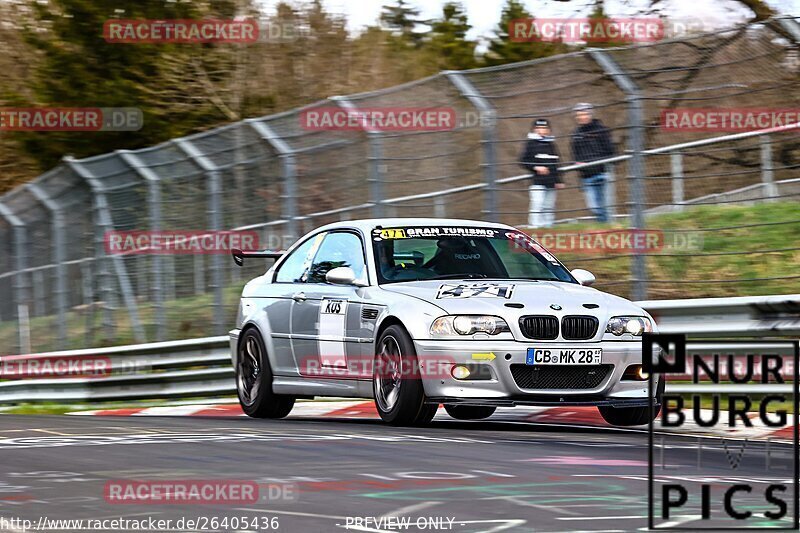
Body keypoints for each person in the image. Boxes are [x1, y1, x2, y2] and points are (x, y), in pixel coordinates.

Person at [570, 102, 614, 223]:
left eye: (584, 114)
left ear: (590, 114)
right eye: (579, 115)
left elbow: (610, 150)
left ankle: (607, 227)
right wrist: (578, 165)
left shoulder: (601, 130)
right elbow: (575, 154)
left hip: (602, 172)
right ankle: (603, 226)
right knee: (594, 206)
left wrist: (603, 163)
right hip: (586, 176)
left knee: (605, 204)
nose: (582, 117)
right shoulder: (575, 134)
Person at [518, 118, 564, 228]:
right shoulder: (530, 143)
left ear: (548, 130)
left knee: (549, 206)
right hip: (537, 181)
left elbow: (557, 163)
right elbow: (523, 160)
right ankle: (534, 227)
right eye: (538, 128)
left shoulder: (551, 144)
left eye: (544, 128)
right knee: (537, 204)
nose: (541, 130)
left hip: (551, 181)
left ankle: (548, 227)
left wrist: (559, 180)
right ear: (534, 129)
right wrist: (536, 167)